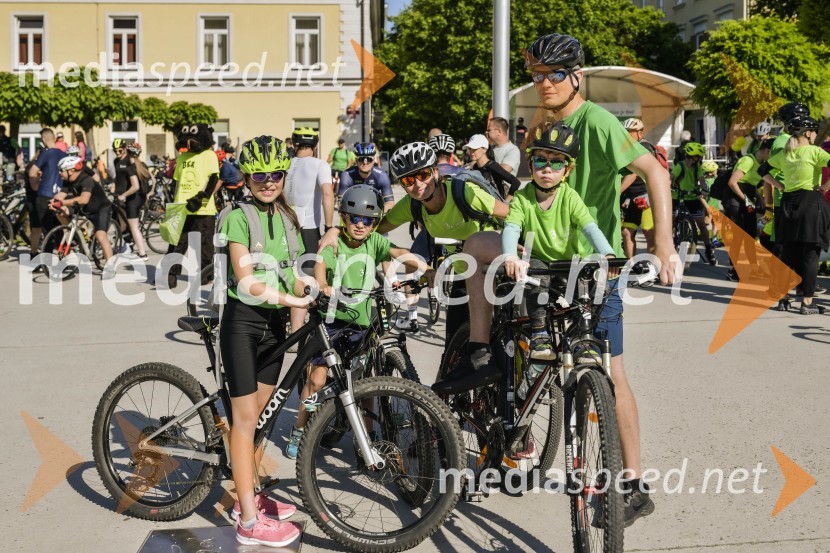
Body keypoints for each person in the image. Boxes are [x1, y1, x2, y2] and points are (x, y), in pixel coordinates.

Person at [453, 34, 677, 527]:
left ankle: (632, 485)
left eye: (555, 74)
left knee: (611, 373)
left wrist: (664, 243)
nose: (545, 83)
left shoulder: (596, 121)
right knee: (475, 249)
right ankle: (484, 351)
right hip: (546, 255)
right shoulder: (546, 126)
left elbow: (654, 171)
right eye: (536, 75)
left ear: (577, 76)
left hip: (591, 266)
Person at [285, 185, 432, 459]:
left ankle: (368, 434)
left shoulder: (374, 242)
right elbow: (320, 263)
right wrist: (323, 284)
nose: (361, 225)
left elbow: (399, 253)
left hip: (362, 325)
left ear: (375, 223)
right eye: (355, 218)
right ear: (344, 217)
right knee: (316, 380)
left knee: (365, 383)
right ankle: (300, 428)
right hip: (331, 322)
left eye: (368, 220)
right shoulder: (335, 242)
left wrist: (426, 268)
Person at [218, 135, 302, 547]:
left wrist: (318, 291)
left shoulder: (287, 217)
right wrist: (291, 299)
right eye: (259, 176)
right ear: (247, 178)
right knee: (246, 419)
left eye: (276, 175)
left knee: (262, 417)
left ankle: (246, 493)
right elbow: (246, 281)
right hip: (243, 324)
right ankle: (249, 522)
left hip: (275, 327)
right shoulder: (237, 217)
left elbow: (297, 274)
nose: (269, 182)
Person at [502, 122, 616, 361]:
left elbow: (589, 228)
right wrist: (510, 256)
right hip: (539, 260)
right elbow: (512, 228)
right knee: (537, 279)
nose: (547, 169)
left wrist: (607, 254)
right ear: (530, 164)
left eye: (556, 163)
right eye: (540, 161)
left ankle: (582, 337)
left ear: (567, 170)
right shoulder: (522, 198)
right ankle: (539, 334)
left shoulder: (570, 196)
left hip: (569, 262)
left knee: (596, 287)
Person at [762, 115, 830, 314]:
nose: (816, 135)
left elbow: (763, 170)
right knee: (810, 254)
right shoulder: (814, 151)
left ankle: (783, 299)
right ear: (808, 133)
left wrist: (779, 185)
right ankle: (807, 303)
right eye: (814, 132)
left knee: (787, 253)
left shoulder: (785, 153)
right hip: (810, 202)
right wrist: (826, 187)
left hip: (787, 204)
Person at [167, 124, 220, 287]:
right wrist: (172, 202)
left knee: (205, 245)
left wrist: (201, 198)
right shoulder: (182, 157)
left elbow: (213, 179)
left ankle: (206, 274)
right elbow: (176, 182)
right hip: (181, 207)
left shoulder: (209, 155)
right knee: (177, 243)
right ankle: (170, 274)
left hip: (203, 208)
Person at [284, 127, 334, 275]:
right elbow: (327, 193)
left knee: (287, 271)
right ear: (315, 146)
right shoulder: (320, 165)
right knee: (310, 274)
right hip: (308, 226)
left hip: (285, 222)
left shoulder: (286, 164)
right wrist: (329, 227)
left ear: (295, 145)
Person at [722, 138, 773, 281]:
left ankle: (753, 268)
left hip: (747, 198)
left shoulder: (761, 164)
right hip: (734, 200)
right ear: (766, 151)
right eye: (772, 154)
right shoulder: (748, 161)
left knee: (751, 233)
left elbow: (752, 184)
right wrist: (746, 200)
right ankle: (733, 271)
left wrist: (759, 199)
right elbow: (732, 182)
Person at [51, 155, 114, 264]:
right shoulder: (68, 180)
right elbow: (60, 195)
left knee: (100, 236)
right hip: (85, 208)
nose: (59, 173)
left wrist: (62, 203)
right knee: (60, 213)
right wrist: (52, 202)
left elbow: (84, 199)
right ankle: (76, 238)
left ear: (71, 171)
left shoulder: (86, 180)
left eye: (61, 170)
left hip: (100, 209)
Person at [672, 141, 717, 265]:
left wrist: (704, 189)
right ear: (692, 156)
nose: (700, 159)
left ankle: (709, 249)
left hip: (692, 197)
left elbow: (701, 180)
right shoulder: (680, 166)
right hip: (677, 196)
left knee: (701, 224)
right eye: (698, 157)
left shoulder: (697, 167)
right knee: (670, 222)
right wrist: (669, 186)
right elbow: (671, 177)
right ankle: (668, 246)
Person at [620, 118, 659, 259]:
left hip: (645, 196)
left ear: (639, 133)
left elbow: (632, 175)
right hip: (632, 197)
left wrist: (617, 191)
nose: (627, 135)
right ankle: (630, 265)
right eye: (625, 132)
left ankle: (654, 266)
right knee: (627, 232)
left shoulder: (644, 148)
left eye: (630, 132)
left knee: (649, 233)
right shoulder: (628, 148)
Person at [28, 129, 66, 256]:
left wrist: (35, 187)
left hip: (45, 195)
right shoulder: (64, 154)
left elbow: (32, 173)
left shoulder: (46, 153)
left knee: (47, 231)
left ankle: (47, 260)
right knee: (59, 229)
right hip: (59, 196)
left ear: (44, 139)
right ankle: (62, 257)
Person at [114, 140, 149, 260]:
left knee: (134, 228)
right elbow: (153, 180)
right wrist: (150, 193)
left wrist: (123, 195)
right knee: (135, 227)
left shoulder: (130, 167)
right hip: (141, 198)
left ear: (127, 152)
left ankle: (142, 254)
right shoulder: (141, 165)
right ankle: (135, 249)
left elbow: (135, 186)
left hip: (133, 200)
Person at [337, 143, 394, 210]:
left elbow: (390, 203)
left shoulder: (381, 175)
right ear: (356, 160)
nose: (365, 162)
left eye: (369, 159)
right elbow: (341, 202)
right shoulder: (347, 175)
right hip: (352, 210)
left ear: (373, 160)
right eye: (361, 159)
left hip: (373, 210)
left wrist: (377, 213)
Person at [463, 134, 521, 199]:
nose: (471, 152)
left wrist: (506, 202)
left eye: (475, 148)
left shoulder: (492, 166)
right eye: (470, 148)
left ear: (484, 149)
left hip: (497, 204)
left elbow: (516, 182)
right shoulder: (475, 167)